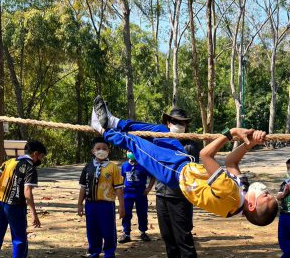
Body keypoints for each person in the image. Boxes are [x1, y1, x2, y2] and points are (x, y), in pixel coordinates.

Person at [90, 96, 278, 225]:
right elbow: (231, 162)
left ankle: (102, 129)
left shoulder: (230, 194)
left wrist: (232, 132)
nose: (265, 190)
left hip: (174, 171)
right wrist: (250, 143)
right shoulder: (241, 193)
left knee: (135, 144)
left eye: (266, 195)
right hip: (183, 163)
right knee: (162, 131)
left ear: (251, 205)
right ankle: (114, 122)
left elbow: (205, 155)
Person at [155, 107, 202, 258]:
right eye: (175, 122)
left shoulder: (190, 146)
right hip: (161, 194)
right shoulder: (160, 140)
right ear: (168, 123)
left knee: (183, 238)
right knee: (168, 237)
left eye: (182, 123)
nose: (179, 125)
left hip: (180, 197)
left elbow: (189, 170)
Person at [78, 137, 125, 258]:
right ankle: (94, 254)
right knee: (92, 230)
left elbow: (119, 188)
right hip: (90, 204)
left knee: (108, 230)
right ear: (93, 151)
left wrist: (122, 206)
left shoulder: (113, 167)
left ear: (108, 151)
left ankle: (109, 256)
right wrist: (80, 204)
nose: (101, 151)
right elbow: (83, 187)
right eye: (98, 148)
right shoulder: (88, 167)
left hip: (106, 205)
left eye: (104, 148)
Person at [119, 150, 155, 243]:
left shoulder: (143, 165)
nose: (131, 153)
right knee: (126, 213)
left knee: (142, 212)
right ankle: (126, 233)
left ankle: (143, 232)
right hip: (127, 192)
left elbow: (152, 176)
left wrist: (148, 188)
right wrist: (121, 188)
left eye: (133, 151)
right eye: (129, 151)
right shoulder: (125, 165)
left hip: (140, 192)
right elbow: (122, 177)